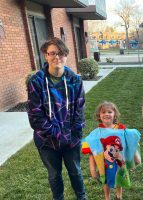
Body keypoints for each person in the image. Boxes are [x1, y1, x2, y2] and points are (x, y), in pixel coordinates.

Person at [26, 37, 87, 200]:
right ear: (46, 56)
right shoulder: (36, 81)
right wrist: (57, 134)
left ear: (66, 55)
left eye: (60, 53)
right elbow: (35, 115)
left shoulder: (75, 80)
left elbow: (79, 111)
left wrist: (73, 134)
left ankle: (82, 197)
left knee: (75, 171)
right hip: (47, 141)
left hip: (71, 139)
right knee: (54, 175)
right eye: (52, 53)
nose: (56, 57)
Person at [82, 101, 141, 200]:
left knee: (119, 178)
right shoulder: (96, 133)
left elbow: (130, 141)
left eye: (109, 112)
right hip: (105, 164)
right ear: (99, 115)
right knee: (106, 181)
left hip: (119, 162)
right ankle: (107, 197)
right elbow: (92, 151)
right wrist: (92, 169)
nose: (106, 114)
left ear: (114, 114)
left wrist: (135, 157)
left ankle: (119, 195)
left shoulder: (121, 129)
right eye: (103, 112)